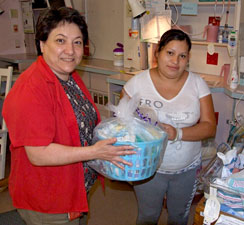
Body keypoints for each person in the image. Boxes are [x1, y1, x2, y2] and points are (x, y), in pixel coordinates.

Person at [2, 7, 135, 225]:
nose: (70, 50)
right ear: (42, 44)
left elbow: (79, 124)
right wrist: (94, 152)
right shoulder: (32, 88)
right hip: (50, 199)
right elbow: (39, 154)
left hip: (76, 190)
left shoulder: (68, 76)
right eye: (60, 41)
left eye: (77, 42)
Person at [122, 29, 217, 225]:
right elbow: (121, 123)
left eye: (182, 56)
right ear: (157, 52)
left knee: (179, 217)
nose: (175, 61)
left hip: (186, 169)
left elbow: (209, 127)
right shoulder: (137, 83)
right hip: (149, 168)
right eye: (170, 53)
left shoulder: (198, 84)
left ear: (188, 58)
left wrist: (178, 133)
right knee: (147, 216)